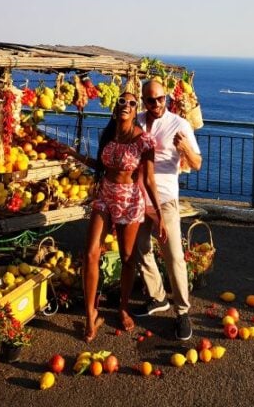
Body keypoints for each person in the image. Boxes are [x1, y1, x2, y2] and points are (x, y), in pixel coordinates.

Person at [69, 91, 167, 343]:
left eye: (132, 103)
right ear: (116, 108)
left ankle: (123, 307)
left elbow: (149, 180)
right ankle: (91, 315)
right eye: (122, 101)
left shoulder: (144, 141)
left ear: (136, 111)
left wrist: (160, 216)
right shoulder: (107, 134)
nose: (126, 105)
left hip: (130, 201)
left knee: (127, 257)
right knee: (91, 253)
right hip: (105, 196)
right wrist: (74, 155)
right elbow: (102, 167)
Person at [134, 78, 202, 341]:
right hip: (139, 199)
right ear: (144, 100)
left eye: (161, 99)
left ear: (167, 98)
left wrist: (184, 147)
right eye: (151, 100)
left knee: (174, 256)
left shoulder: (180, 124)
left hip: (165, 200)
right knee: (140, 248)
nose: (157, 104)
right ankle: (157, 296)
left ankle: (182, 312)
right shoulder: (137, 120)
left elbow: (197, 164)